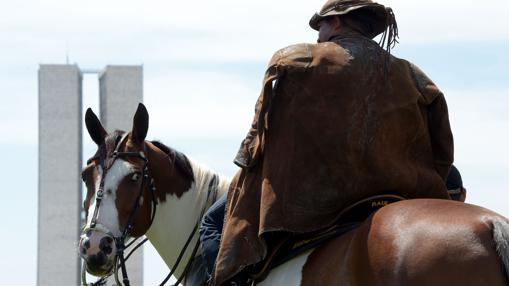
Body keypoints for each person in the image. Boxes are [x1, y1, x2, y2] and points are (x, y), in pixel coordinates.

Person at [207, 1, 455, 285]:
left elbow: (264, 131)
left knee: (211, 223)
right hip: (398, 192)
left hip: (313, 196)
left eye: (321, 25)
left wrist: (250, 154)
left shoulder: (297, 60)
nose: (318, 34)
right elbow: (442, 152)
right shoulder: (415, 77)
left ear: (337, 22)